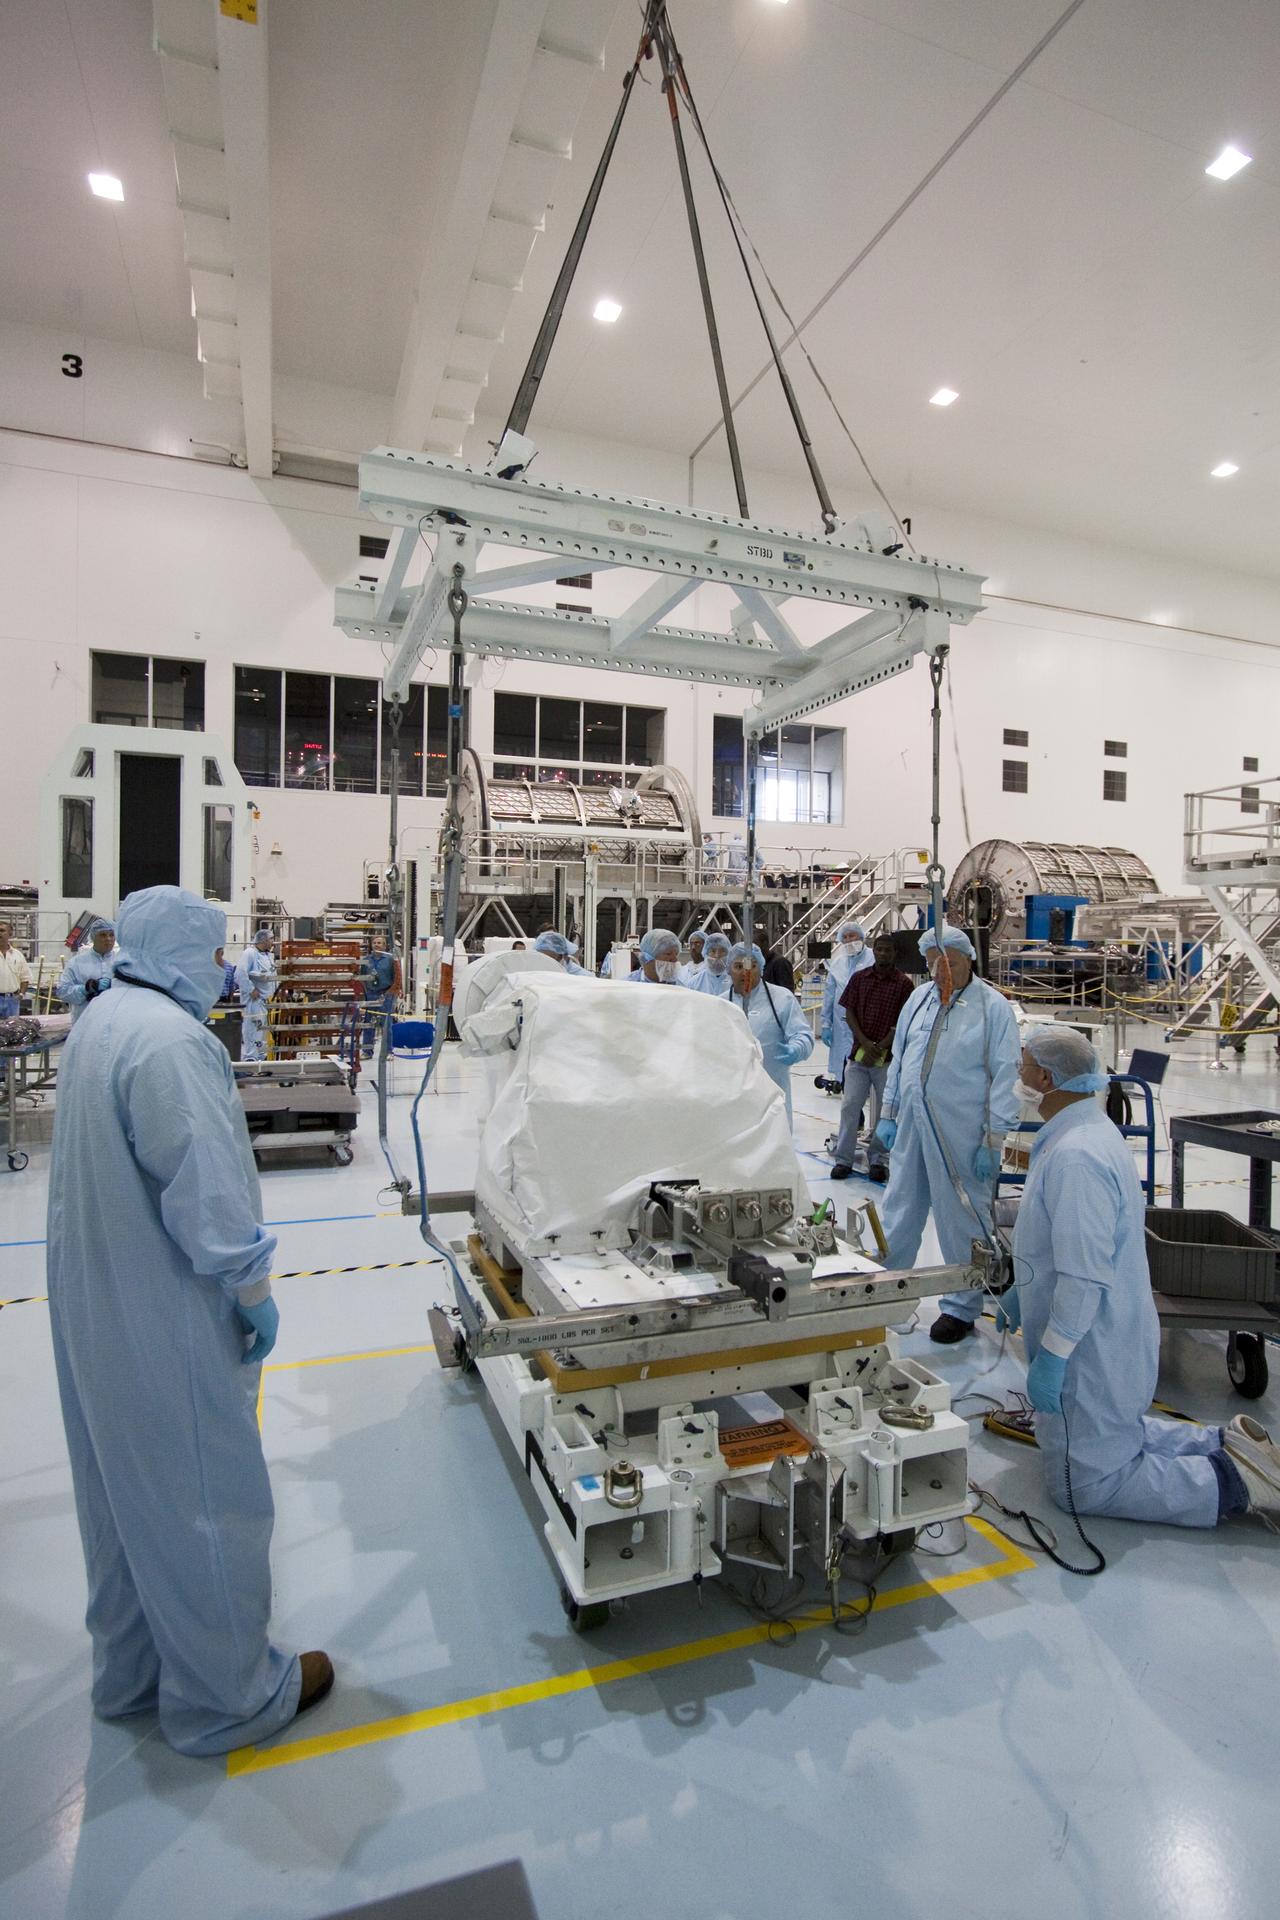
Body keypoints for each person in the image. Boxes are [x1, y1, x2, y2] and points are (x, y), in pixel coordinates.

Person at [46, 885, 333, 1756]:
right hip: (163, 1304)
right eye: (211, 954)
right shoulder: (172, 1042)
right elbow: (206, 1187)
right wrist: (251, 1289)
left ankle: (130, 1675)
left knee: (120, 1494)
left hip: (95, 1300)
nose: (221, 969)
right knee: (205, 1495)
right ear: (174, 950)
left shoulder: (100, 1021)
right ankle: (229, 1700)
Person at [1003, 1025, 1280, 1529]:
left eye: (1022, 1064)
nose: (1016, 1074)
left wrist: (1055, 1358)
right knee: (1110, 1435)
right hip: (1109, 1330)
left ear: (1045, 1077)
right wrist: (1022, 1291)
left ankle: (1236, 1483)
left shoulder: (1076, 1157)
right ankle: (1226, 1444)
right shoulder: (1085, 1131)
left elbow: (1083, 1276)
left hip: (1089, 1346)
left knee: (1084, 1484)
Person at [873, 926, 1021, 1342]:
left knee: (962, 1218)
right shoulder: (918, 999)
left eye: (950, 963)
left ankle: (961, 1306)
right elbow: (900, 1058)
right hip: (912, 1124)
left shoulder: (992, 1008)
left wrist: (994, 1139)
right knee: (900, 1207)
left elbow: (1006, 1074)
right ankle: (889, 1293)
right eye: (934, 964)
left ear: (968, 960)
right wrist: (889, 1113)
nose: (942, 972)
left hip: (963, 1131)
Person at [831, 933, 915, 1183]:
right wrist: (865, 1043)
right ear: (874, 950)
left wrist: (879, 1047)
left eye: (888, 950)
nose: (883, 953)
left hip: (886, 1060)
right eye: (879, 949)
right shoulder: (860, 979)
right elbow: (849, 1012)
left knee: (885, 1112)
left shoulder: (904, 985)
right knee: (850, 1107)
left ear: (895, 953)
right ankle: (843, 1160)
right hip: (858, 1057)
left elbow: (902, 1022)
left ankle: (878, 1159)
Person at [727, 941, 814, 1125]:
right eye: (738, 966)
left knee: (773, 1138)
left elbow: (803, 1034)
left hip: (772, 1093)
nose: (745, 972)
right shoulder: (721, 1004)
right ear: (729, 969)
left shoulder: (781, 999)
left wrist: (797, 1048)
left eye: (752, 966)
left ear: (761, 968)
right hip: (732, 1094)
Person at [819, 921, 872, 1085]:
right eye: (846, 937)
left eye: (852, 936)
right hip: (840, 1024)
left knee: (864, 1063)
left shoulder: (873, 958)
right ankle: (845, 1087)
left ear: (861, 937)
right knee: (844, 1061)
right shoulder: (838, 962)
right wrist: (826, 1024)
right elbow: (829, 994)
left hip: (865, 1024)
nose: (849, 940)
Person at [56, 919, 118, 1022]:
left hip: (114, 1021)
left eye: (111, 935)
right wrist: (85, 989)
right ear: (93, 937)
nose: (108, 939)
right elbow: (62, 991)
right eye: (103, 935)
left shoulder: (121, 962)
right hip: (84, 1022)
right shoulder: (76, 963)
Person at [235, 929, 278, 1063]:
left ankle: (260, 1056)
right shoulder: (249, 953)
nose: (273, 942)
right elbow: (240, 973)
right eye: (271, 939)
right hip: (254, 1000)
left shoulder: (267, 956)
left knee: (263, 1031)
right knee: (252, 1029)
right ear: (263, 940)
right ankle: (250, 1057)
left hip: (266, 1001)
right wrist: (251, 989)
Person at [359, 931, 401, 1054]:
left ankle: (388, 1051)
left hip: (386, 994)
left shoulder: (390, 959)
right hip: (371, 994)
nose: (376, 945)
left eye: (379, 943)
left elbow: (397, 977)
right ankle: (367, 1051)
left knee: (386, 1023)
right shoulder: (366, 960)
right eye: (374, 943)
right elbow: (362, 977)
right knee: (368, 1023)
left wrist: (393, 992)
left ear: (384, 945)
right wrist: (366, 993)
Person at [0, 920, 33, 1017]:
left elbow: (25, 978)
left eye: (2, 931)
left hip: (12, 1001)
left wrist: (21, 994)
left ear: (10, 934)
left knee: (12, 1026)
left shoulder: (18, 955)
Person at [688, 931, 732, 996]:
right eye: (713, 951)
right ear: (705, 953)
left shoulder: (735, 981)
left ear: (729, 954)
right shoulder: (694, 982)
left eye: (722, 951)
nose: (717, 956)